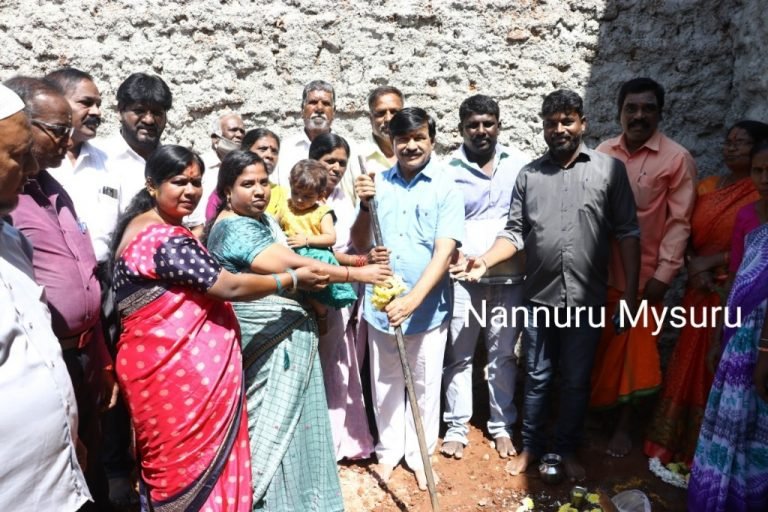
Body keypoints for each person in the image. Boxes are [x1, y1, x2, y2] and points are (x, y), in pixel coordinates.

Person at [110, 144, 328, 510]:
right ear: (151, 185)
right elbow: (230, 286)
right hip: (178, 376)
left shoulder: (147, 227)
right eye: (179, 182)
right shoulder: (164, 239)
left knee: (174, 468)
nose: (190, 191)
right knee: (183, 470)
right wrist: (289, 280)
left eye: (196, 182)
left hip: (172, 371)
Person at [454, 90, 640, 481]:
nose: (559, 129)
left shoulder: (610, 171)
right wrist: (484, 259)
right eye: (551, 122)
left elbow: (627, 233)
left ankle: (567, 449)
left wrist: (630, 294)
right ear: (543, 126)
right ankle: (532, 447)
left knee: (575, 380)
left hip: (587, 299)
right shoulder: (530, 175)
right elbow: (515, 232)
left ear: (583, 123)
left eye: (567, 120)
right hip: (539, 298)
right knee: (537, 377)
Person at [205, 150, 391, 510]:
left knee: (295, 427)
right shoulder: (233, 228)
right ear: (227, 190)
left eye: (263, 182)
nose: (259, 190)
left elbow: (318, 256)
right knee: (268, 428)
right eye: (247, 184)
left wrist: (360, 260)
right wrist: (356, 274)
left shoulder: (262, 220)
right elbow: (290, 263)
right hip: (266, 343)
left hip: (288, 338)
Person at [5, 76, 117, 511]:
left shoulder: (50, 190)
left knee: (91, 476)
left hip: (80, 359)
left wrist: (101, 356)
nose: (68, 141)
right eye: (57, 130)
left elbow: (84, 275)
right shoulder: (12, 204)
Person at [351, 107, 465, 489]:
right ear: (392, 142)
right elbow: (359, 242)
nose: (411, 145)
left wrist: (413, 299)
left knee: (425, 383)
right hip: (382, 305)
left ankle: (419, 455)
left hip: (426, 308)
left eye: (419, 137)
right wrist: (364, 206)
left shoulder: (446, 186)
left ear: (432, 140)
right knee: (384, 382)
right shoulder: (377, 184)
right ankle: (388, 452)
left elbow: (444, 252)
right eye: (403, 139)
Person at [644, 121, 768, 465]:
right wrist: (693, 264)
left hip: (731, 291)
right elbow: (683, 230)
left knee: (720, 365)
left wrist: (713, 263)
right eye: (728, 141)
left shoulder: (758, 198)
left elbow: (753, 249)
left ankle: (708, 447)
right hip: (697, 289)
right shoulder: (709, 186)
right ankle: (672, 441)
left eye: (741, 143)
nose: (731, 148)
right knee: (689, 360)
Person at [590, 77, 697, 458]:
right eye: (631, 108)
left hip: (645, 282)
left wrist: (664, 275)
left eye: (648, 108)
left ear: (660, 113)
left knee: (636, 355)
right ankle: (598, 417)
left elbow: (680, 222)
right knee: (602, 352)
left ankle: (624, 426)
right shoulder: (603, 152)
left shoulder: (677, 159)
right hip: (601, 276)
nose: (639, 116)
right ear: (619, 112)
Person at [441, 94, 529, 461]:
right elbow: (442, 222)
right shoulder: (447, 169)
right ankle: (456, 427)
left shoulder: (519, 164)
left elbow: (525, 221)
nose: (481, 131)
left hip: (511, 278)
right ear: (461, 129)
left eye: (487, 123)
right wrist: (456, 257)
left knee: (503, 354)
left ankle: (502, 425)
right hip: (463, 279)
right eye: (473, 125)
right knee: (459, 355)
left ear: (498, 125)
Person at [687, 144, 768, 509]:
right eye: (758, 171)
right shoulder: (748, 215)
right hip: (742, 332)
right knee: (735, 416)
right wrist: (720, 334)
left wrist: (766, 350)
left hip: (764, 337)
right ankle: (726, 495)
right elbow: (736, 276)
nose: (764, 179)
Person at [308, 132, 383, 460]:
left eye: (342, 162)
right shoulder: (304, 199)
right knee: (326, 360)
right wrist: (359, 264)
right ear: (314, 161)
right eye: (329, 161)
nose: (336, 168)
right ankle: (320, 437)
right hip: (321, 289)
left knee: (347, 359)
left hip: (351, 288)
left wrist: (365, 259)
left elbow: (356, 242)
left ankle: (343, 438)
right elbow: (319, 253)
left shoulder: (346, 198)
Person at [279, 159, 357, 316]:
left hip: (313, 258)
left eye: (307, 196)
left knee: (316, 298)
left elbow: (330, 238)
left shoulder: (321, 212)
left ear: (320, 195)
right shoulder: (287, 206)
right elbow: (274, 224)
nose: (299, 200)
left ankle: (321, 316)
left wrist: (307, 240)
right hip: (290, 257)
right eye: (295, 193)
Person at [95, 72, 172, 214]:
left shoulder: (172, 164)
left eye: (157, 113)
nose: (149, 120)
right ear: (120, 111)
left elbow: (193, 223)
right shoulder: (99, 158)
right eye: (139, 111)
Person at [274, 80, 360, 201]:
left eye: (326, 103)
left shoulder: (351, 148)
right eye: (313, 102)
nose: (319, 108)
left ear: (334, 111)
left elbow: (359, 195)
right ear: (302, 109)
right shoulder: (285, 149)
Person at [205, 127, 286, 220]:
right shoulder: (224, 193)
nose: (269, 155)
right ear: (246, 151)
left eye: (274, 151)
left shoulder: (281, 193)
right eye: (263, 149)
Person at [186, 112, 245, 234]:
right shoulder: (200, 165)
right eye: (233, 130)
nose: (239, 135)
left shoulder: (244, 167)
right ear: (215, 138)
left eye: (242, 131)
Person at [360, 85, 404, 174]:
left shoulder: (418, 153)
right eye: (381, 113)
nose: (388, 119)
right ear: (371, 118)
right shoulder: (357, 156)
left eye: (394, 112)